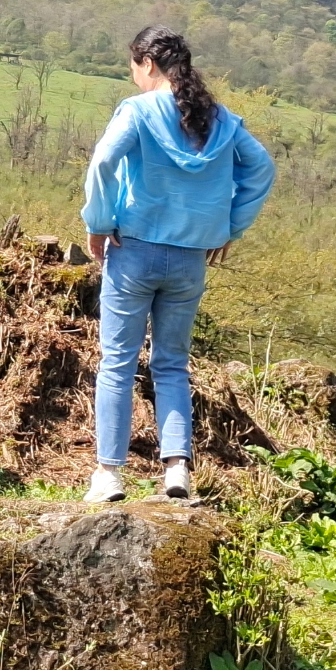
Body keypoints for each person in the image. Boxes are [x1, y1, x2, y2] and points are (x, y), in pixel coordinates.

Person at [79, 26, 275, 503]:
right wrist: (229, 226)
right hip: (190, 259)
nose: (134, 77)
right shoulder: (221, 119)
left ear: (147, 63)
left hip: (135, 252)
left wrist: (99, 222)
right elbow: (262, 169)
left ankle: (108, 475)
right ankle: (177, 470)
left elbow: (104, 159)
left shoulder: (139, 110)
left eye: (133, 68)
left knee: (118, 365)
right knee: (171, 365)